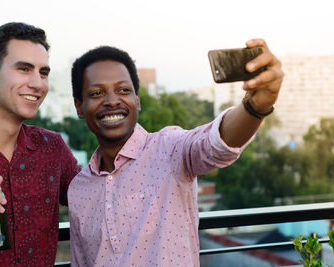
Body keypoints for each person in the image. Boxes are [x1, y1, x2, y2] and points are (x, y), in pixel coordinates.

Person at [68, 39, 283, 266]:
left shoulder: (170, 149)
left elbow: (216, 144)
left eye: (123, 90)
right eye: (96, 93)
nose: (112, 101)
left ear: (137, 101)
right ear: (79, 107)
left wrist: (255, 107)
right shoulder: (79, 189)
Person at [0, 22, 80, 266]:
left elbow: (100, 200)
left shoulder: (53, 148)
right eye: (24, 69)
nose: (38, 83)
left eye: (43, 72)